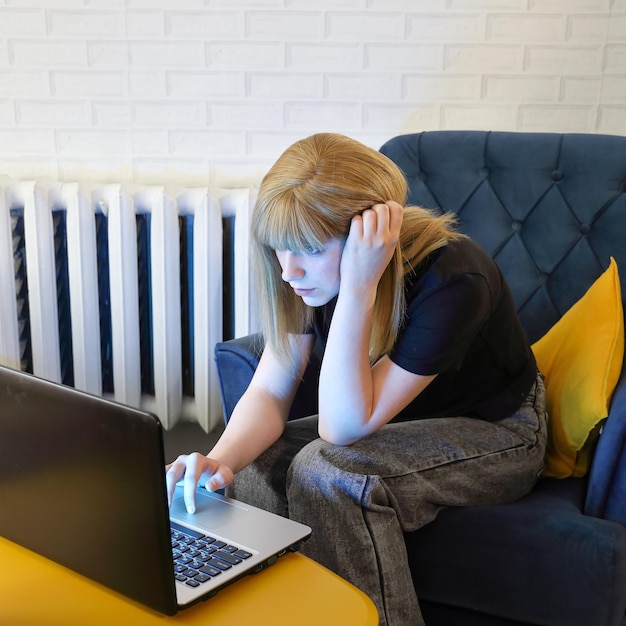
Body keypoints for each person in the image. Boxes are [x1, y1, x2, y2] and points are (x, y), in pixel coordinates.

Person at [165, 133, 548, 626]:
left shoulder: (453, 278)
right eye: (279, 249)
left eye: (307, 248)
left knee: (331, 473)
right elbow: (268, 390)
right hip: (392, 421)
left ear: (372, 233)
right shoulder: (303, 281)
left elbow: (342, 431)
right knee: (252, 463)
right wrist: (218, 462)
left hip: (500, 431)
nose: (289, 271)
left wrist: (360, 285)